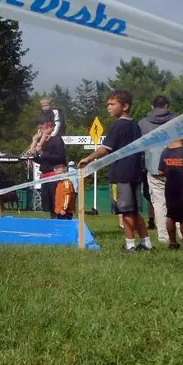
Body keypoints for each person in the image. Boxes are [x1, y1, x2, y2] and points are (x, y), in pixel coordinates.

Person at [78, 89, 152, 252]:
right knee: (134, 211)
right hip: (135, 173)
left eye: (112, 104)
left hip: (121, 175)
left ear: (125, 106)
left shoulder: (118, 126)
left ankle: (130, 245)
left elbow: (105, 149)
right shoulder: (136, 125)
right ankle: (146, 243)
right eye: (108, 105)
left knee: (125, 211)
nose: (109, 107)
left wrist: (87, 159)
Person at [139, 95, 177, 244]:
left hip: (153, 167)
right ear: (167, 106)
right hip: (175, 166)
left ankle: (163, 236)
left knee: (159, 203)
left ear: (151, 106)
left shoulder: (142, 124)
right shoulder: (177, 121)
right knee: (177, 202)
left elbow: (138, 147)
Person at [34, 116, 67, 218]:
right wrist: (34, 157)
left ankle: (60, 223)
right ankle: (53, 222)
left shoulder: (57, 139)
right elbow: (43, 161)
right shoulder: (44, 142)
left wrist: (43, 153)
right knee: (49, 205)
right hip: (45, 176)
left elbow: (60, 157)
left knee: (57, 203)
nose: (40, 129)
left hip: (55, 176)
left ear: (49, 126)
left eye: (42, 126)